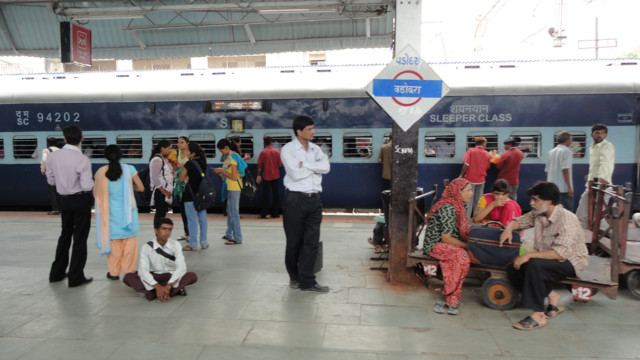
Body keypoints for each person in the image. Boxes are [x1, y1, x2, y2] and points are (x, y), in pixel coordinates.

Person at [500, 182, 588, 330]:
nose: (531, 203)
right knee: (513, 268)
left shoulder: (567, 219)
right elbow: (521, 221)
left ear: (548, 201)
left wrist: (528, 255)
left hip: (571, 261)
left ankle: (538, 315)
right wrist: (508, 229)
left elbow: (560, 253)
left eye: (535, 199)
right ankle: (552, 296)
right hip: (549, 257)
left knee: (534, 265)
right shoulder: (539, 212)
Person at [281, 115, 331, 292]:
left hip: (314, 200)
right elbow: (295, 174)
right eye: (309, 129)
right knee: (294, 242)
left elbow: (326, 167)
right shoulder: (288, 150)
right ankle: (294, 277)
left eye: (312, 128)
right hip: (295, 200)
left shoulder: (316, 149)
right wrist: (312, 167)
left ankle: (307, 281)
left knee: (311, 242)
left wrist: (305, 165)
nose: (313, 132)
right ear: (299, 131)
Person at [46, 125, 94, 287]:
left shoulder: (53, 157)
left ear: (64, 139)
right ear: (81, 139)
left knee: (65, 234)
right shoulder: (83, 159)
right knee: (79, 238)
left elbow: (51, 180)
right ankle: (75, 276)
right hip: (80, 200)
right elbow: (87, 186)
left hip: (63, 201)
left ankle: (56, 274)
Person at [422, 178, 473, 315]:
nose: (471, 193)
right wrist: (468, 246)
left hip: (447, 244)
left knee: (462, 257)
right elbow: (446, 238)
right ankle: (451, 297)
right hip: (435, 245)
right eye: (468, 190)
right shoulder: (448, 208)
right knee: (461, 257)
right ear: (458, 192)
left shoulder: (458, 205)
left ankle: (452, 296)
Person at [93, 145, 144, 280]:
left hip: (111, 215)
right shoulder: (129, 169)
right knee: (130, 246)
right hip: (129, 215)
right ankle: (130, 272)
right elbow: (141, 187)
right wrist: (129, 187)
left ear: (106, 157)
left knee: (114, 246)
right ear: (120, 156)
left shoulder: (100, 172)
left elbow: (96, 192)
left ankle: (114, 273)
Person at [122, 218, 198, 302]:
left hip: (170, 275)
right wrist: (157, 286)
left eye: (169, 229)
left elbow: (181, 267)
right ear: (156, 230)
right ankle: (172, 291)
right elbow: (143, 271)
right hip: (154, 276)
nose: (167, 232)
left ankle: (152, 293)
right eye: (164, 229)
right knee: (128, 277)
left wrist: (169, 285)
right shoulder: (146, 247)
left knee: (192, 276)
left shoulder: (176, 245)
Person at [575, 124, 615, 227]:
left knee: (598, 216)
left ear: (606, 135)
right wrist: (590, 176)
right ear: (592, 135)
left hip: (602, 185)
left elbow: (605, 163)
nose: (600, 135)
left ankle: (606, 239)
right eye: (597, 133)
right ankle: (581, 236)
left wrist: (603, 179)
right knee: (582, 212)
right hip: (592, 184)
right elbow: (596, 165)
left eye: (602, 133)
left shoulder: (607, 146)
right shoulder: (593, 147)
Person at [214, 138, 247, 245]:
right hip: (231, 187)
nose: (222, 153)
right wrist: (222, 171)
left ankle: (237, 238)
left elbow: (233, 176)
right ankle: (229, 234)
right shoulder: (232, 156)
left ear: (227, 148)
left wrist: (221, 171)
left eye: (222, 151)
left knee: (234, 213)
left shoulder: (232, 158)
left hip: (234, 187)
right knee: (231, 211)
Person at [180, 142, 209, 251]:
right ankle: (204, 242)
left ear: (192, 153)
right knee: (203, 219)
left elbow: (181, 179)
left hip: (190, 195)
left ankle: (192, 244)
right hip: (202, 195)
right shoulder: (203, 162)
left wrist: (187, 179)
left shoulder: (189, 163)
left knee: (192, 220)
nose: (186, 153)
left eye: (187, 151)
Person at [459, 136, 492, 219]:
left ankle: (466, 219)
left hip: (470, 180)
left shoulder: (470, 151)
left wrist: (461, 174)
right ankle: (475, 219)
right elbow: (488, 166)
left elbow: (466, 164)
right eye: (485, 144)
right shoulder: (487, 154)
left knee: (469, 200)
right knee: (478, 201)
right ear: (483, 143)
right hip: (481, 180)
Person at [545, 131, 575, 211]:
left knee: (555, 210)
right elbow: (565, 170)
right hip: (563, 188)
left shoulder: (550, 152)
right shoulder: (567, 152)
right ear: (568, 141)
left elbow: (547, 170)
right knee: (569, 210)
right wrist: (569, 188)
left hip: (553, 187)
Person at [257, 135, 283, 219]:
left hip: (266, 176)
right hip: (275, 175)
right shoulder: (277, 152)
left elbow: (260, 165)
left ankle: (264, 213)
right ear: (271, 142)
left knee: (265, 195)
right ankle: (275, 213)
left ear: (264, 143)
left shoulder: (262, 152)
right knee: (276, 194)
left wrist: (258, 175)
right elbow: (280, 164)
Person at [149, 139, 174, 227]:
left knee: (162, 214)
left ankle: (159, 235)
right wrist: (164, 192)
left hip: (165, 191)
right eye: (169, 148)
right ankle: (157, 234)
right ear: (162, 148)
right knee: (160, 215)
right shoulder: (157, 160)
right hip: (160, 192)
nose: (170, 151)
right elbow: (155, 178)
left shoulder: (164, 159)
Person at [175, 136, 190, 242]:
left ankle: (191, 233)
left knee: (189, 211)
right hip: (179, 185)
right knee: (183, 211)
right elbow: (175, 169)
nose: (179, 145)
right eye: (178, 142)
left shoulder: (190, 154)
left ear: (187, 143)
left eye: (182, 142)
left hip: (188, 185)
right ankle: (186, 233)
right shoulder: (176, 155)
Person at [41, 138, 60, 215]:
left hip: (51, 174)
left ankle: (55, 210)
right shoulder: (60, 150)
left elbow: (44, 160)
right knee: (61, 192)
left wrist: (43, 169)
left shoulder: (46, 150)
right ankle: (62, 208)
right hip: (60, 173)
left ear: (48, 143)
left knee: (52, 192)